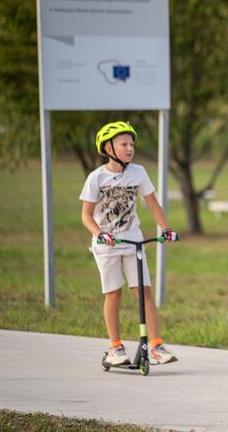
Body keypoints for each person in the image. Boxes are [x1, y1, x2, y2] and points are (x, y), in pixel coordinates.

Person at [80, 121, 179, 367]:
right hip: (107, 245)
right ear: (108, 147)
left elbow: (152, 203)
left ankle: (155, 346)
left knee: (144, 291)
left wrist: (165, 229)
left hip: (132, 239)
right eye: (124, 144)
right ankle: (115, 348)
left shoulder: (139, 172)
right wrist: (99, 233)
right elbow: (86, 215)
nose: (130, 148)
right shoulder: (97, 178)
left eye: (132, 144)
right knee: (114, 293)